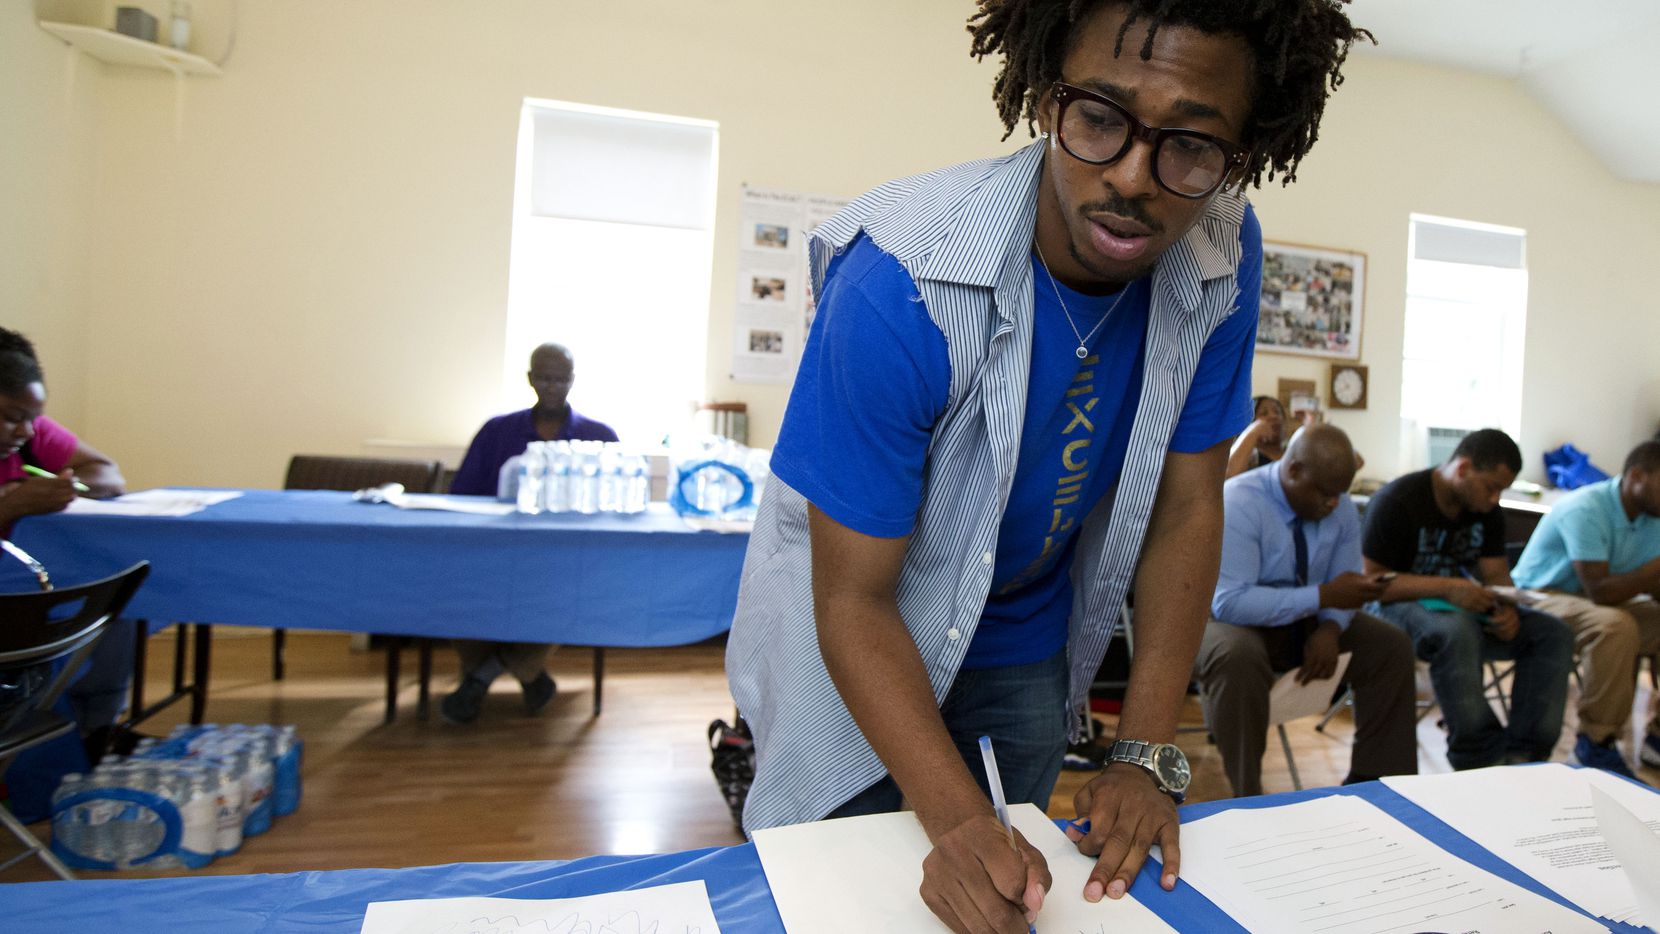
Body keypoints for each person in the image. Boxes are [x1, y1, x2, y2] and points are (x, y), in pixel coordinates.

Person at [725, 2, 1370, 930]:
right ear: (1042, 95)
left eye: (1191, 143)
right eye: (1100, 118)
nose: (1135, 180)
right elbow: (852, 601)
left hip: (1024, 629)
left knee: (1016, 898)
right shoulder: (900, 281)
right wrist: (952, 820)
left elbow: (1189, 509)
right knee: (853, 891)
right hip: (858, 635)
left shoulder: (1223, 249)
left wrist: (1146, 754)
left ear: (1247, 146)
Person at [1199, 424, 1416, 796]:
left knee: (1390, 646)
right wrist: (1323, 598)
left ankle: (1377, 784)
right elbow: (1230, 602)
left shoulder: (1340, 505)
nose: (1334, 503)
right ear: (1294, 470)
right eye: (1326, 493)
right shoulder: (1240, 501)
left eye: (1340, 494)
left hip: (1305, 619)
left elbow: (1345, 587)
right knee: (1237, 655)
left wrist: (1331, 628)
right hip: (1227, 623)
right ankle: (1247, 795)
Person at [1362, 429, 1574, 770]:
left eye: (1501, 490)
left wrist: (1508, 610)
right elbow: (1372, 583)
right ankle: (1479, 757)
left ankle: (1526, 757)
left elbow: (1496, 576)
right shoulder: (1398, 500)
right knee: (1457, 631)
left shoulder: (1485, 511)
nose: (1495, 499)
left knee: (1553, 633)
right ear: (1462, 469)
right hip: (1392, 610)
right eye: (1492, 487)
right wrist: (1445, 587)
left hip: (1459, 608)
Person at [441, 342, 618, 725]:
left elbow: (611, 509)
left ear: (572, 380)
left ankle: (479, 680)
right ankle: (531, 676)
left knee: (552, 596)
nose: (552, 386)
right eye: (543, 377)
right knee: (457, 593)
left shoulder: (598, 437)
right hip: (493, 552)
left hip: (561, 559)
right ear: (530, 378)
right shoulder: (496, 431)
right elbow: (462, 497)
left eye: (560, 378)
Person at [0, 326, 131, 761]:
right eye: (12, 415)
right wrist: (12, 506)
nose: (25, 430)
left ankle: (97, 732)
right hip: (14, 604)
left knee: (122, 594)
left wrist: (68, 490)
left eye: (33, 417)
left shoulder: (31, 437)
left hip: (33, 592)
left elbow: (108, 474)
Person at [1512, 440, 1660, 777]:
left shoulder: (1653, 516)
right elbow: (1601, 590)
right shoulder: (1587, 507)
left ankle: (1657, 739)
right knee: (1615, 626)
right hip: (1539, 596)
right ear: (1635, 475)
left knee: (1620, 620)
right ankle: (1596, 741)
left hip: (1606, 599)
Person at [1225, 396, 1289, 479]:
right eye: (1264, 413)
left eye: (1277, 412)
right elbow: (1228, 477)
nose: (1273, 416)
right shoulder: (1251, 457)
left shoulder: (1291, 451)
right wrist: (1254, 431)